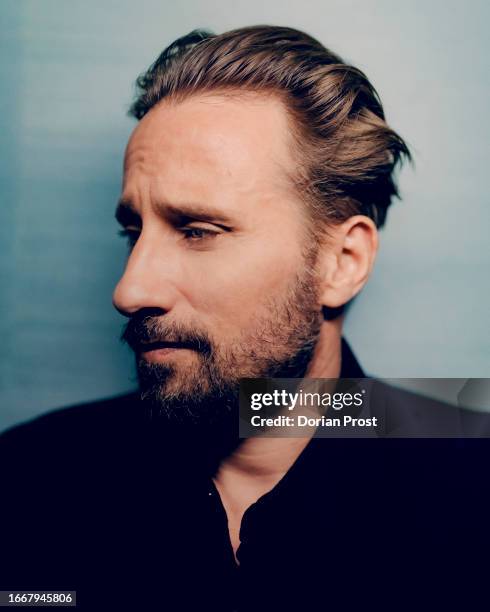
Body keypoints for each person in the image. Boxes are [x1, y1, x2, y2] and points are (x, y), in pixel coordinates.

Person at [0, 25, 488, 611]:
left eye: (198, 231)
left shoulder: (471, 495)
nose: (129, 289)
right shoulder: (29, 480)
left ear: (341, 262)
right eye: (134, 232)